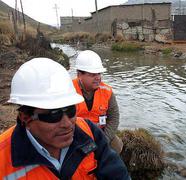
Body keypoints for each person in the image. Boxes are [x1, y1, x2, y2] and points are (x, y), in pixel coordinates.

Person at [0, 58, 130, 179]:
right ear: (25, 118)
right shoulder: (3, 159)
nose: (67, 124)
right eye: (54, 115)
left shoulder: (88, 131)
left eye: (71, 110)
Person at [73, 50, 123, 154]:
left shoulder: (107, 91)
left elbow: (114, 118)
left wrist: (103, 139)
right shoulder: (68, 90)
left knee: (117, 145)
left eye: (99, 73)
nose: (98, 78)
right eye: (92, 74)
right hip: (76, 136)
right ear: (79, 75)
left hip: (101, 134)